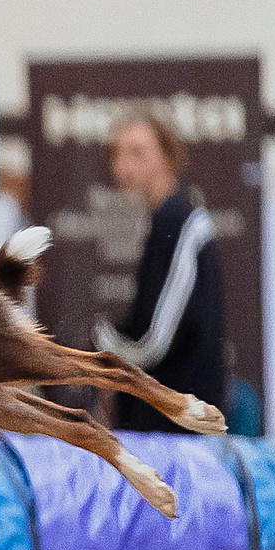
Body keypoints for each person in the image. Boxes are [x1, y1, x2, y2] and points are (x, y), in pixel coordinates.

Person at [94, 115, 228, 431]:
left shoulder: (180, 223)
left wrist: (102, 343)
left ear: (166, 159)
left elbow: (154, 340)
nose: (124, 164)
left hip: (177, 416)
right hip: (163, 413)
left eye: (137, 152)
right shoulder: (163, 223)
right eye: (119, 153)